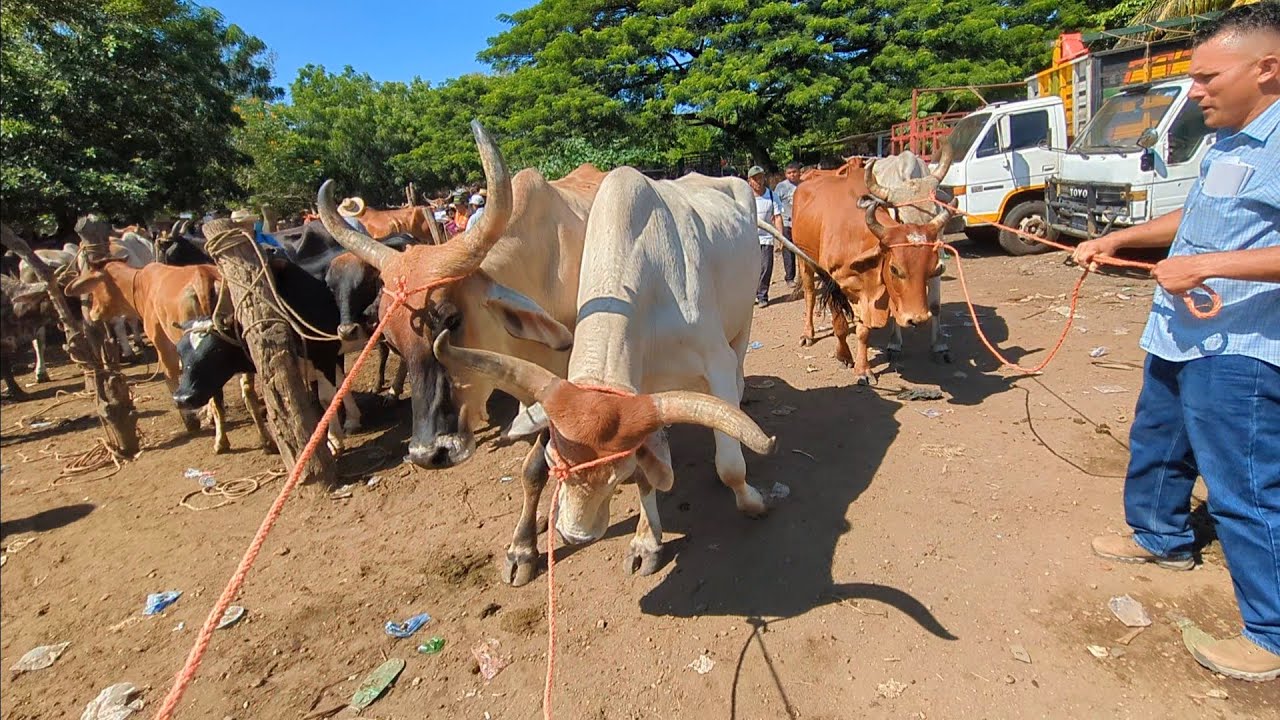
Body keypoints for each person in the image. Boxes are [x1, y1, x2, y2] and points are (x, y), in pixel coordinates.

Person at [1073, 3, 1280, 682]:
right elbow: (1196, 213)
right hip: (1182, 331)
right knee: (1157, 436)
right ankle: (1160, 537)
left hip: (1242, 344)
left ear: (1267, 69)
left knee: (1245, 485)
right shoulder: (1228, 137)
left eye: (1206, 77)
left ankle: (1271, 634)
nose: (1193, 90)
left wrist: (1207, 266)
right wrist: (1120, 239)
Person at [749, 165, 784, 308]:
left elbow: (777, 217)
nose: (759, 181)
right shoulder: (746, 197)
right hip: (749, 238)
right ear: (749, 180)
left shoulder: (771, 195)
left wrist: (780, 237)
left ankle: (762, 295)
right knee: (750, 268)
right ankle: (751, 295)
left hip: (766, 237)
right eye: (755, 179)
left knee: (766, 267)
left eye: (761, 178)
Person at [773, 161, 803, 291]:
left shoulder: (804, 185)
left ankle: (804, 275)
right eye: (789, 173)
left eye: (794, 172)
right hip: (787, 222)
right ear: (785, 174)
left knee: (803, 251)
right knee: (788, 251)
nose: (792, 175)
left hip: (801, 223)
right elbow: (775, 204)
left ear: (799, 172)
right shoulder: (781, 187)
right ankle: (790, 277)